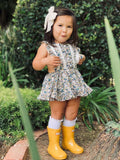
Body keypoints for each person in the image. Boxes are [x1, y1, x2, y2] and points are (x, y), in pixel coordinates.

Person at [32, 6, 93, 160]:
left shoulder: (71, 47)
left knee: (72, 112)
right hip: (57, 84)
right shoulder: (46, 46)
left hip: (74, 82)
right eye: (60, 26)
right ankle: (53, 145)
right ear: (51, 26)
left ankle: (68, 140)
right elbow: (36, 64)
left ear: (73, 30)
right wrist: (46, 60)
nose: (64, 30)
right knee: (57, 113)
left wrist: (81, 58)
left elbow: (77, 57)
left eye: (69, 27)